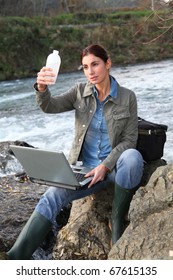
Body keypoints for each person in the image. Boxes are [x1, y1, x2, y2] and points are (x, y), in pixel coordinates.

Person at [0, 44, 144, 260]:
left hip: (113, 168)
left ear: (108, 63)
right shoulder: (79, 91)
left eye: (95, 64)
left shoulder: (127, 97)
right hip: (84, 172)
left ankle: (117, 221)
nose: (91, 71)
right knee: (50, 197)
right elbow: (49, 106)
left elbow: (130, 140)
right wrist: (41, 88)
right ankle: (15, 257)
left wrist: (105, 165)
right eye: (85, 67)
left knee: (133, 158)